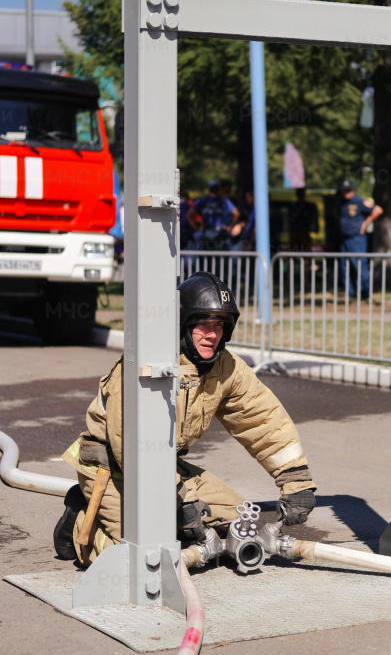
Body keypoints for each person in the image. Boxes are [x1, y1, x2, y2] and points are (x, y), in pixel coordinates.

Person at [54, 272, 317, 565]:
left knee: (240, 522)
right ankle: (80, 522)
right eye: (202, 323)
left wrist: (296, 481)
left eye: (219, 325)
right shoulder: (147, 366)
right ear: (181, 325)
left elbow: (263, 421)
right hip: (116, 470)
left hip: (167, 470)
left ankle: (175, 524)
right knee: (140, 559)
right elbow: (131, 446)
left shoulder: (225, 367)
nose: (212, 334)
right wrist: (178, 498)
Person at [335, 180, 383, 299]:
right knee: (345, 266)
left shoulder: (359, 201)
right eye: (344, 191)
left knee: (360, 266)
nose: (346, 193)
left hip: (357, 239)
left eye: (348, 190)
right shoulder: (341, 202)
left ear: (353, 190)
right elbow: (335, 213)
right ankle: (350, 293)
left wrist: (366, 223)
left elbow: (378, 210)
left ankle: (364, 293)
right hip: (344, 238)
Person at [186, 180, 239, 250]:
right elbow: (236, 213)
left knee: (205, 258)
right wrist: (231, 227)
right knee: (221, 259)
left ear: (209, 189)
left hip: (206, 233)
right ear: (219, 189)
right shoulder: (224, 201)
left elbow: (188, 215)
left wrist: (196, 228)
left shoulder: (202, 201)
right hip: (221, 233)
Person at [287, 187, 319, 251]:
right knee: (305, 254)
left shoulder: (292, 206)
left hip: (297, 232)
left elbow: (288, 219)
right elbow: (313, 218)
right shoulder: (309, 206)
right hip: (303, 233)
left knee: (293, 254)